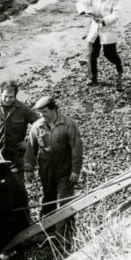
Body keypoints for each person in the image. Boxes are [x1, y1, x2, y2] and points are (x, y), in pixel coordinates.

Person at [24, 96, 82, 240]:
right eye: (39, 112)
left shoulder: (69, 125)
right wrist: (29, 169)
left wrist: (75, 170)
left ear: (54, 109)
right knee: (48, 198)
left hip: (65, 170)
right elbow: (31, 149)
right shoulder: (37, 126)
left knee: (66, 201)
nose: (41, 115)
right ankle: (47, 229)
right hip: (46, 170)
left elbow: (76, 148)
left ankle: (67, 231)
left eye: (44, 111)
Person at [0, 80, 40, 176]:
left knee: (17, 185)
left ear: (15, 96)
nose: (8, 99)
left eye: (11, 97)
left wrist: (29, 143)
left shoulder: (24, 109)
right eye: (5, 96)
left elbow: (40, 125)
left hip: (17, 157)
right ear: (1, 94)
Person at [76, 0, 123, 90]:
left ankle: (119, 67)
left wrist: (103, 21)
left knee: (109, 54)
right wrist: (86, 12)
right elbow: (80, 3)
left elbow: (117, 15)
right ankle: (92, 79)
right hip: (95, 28)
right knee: (92, 53)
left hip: (108, 28)